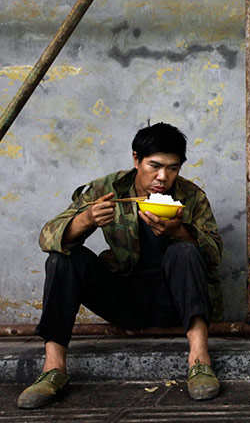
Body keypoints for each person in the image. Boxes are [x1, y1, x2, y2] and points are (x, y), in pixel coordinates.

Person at [18, 122, 223, 409]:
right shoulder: (107, 189)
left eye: (173, 168)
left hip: (175, 303)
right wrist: (86, 219)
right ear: (136, 158)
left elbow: (215, 255)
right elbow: (47, 236)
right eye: (154, 166)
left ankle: (200, 362)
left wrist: (180, 231)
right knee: (62, 258)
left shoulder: (191, 196)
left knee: (185, 250)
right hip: (123, 300)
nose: (163, 177)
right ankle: (53, 370)